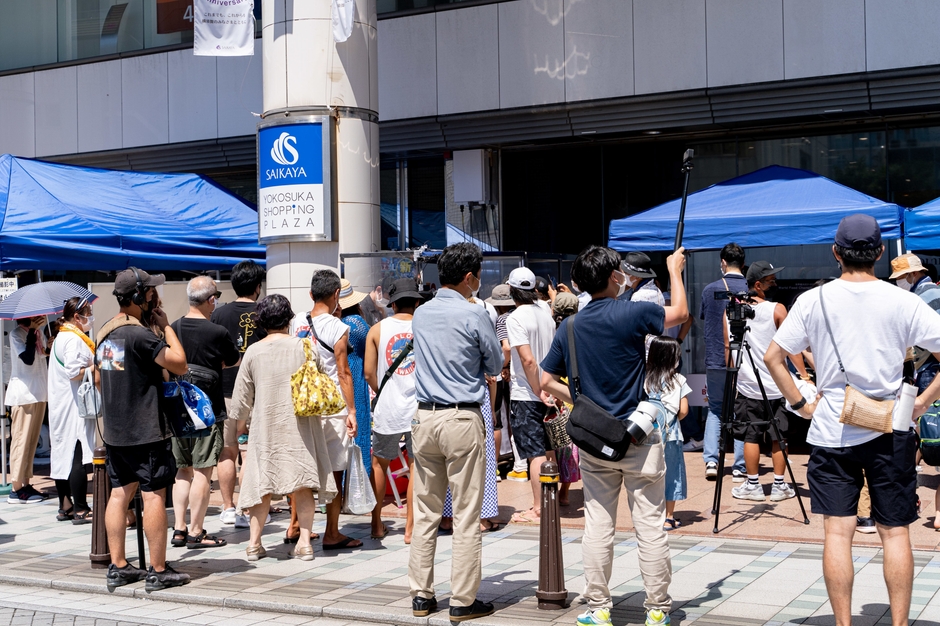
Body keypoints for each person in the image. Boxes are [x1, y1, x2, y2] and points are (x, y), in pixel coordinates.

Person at [766, 214, 940, 626]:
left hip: (831, 429)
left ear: (835, 253)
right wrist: (922, 402)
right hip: (891, 428)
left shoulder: (814, 300)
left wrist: (800, 404)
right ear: (879, 253)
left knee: (837, 533)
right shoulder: (904, 301)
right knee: (895, 532)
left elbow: (773, 357)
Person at [540, 245, 689, 626]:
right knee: (650, 525)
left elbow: (545, 380)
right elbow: (680, 314)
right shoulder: (634, 312)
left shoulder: (569, 326)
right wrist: (674, 270)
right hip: (638, 435)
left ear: (579, 283)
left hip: (595, 439)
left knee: (598, 525)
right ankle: (657, 609)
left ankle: (599, 607)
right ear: (615, 277)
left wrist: (580, 403)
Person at [408, 242, 502, 623]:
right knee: (465, 513)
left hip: (424, 417)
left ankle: (421, 595)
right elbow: (495, 363)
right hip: (462, 417)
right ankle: (462, 600)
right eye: (477, 276)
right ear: (468, 278)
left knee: (425, 510)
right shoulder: (474, 312)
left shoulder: (421, 313)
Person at [98, 268, 191, 592]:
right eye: (151, 291)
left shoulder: (106, 333)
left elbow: (99, 379)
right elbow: (180, 362)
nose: (155, 296)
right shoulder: (140, 335)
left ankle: (119, 566)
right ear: (138, 296)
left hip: (115, 432)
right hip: (146, 431)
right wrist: (166, 327)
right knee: (153, 496)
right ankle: (158, 570)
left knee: (119, 494)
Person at [229, 294, 337, 562]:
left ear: (262, 321)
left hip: (265, 427)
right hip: (301, 426)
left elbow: (241, 401)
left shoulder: (253, 352)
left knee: (261, 485)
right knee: (303, 484)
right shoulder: (305, 346)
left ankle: (254, 544)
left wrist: (238, 430)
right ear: (288, 319)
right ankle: (305, 544)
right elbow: (321, 379)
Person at [169, 276, 240, 549]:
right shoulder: (217, 332)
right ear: (211, 300)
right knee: (202, 471)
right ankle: (196, 531)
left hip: (178, 409)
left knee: (182, 470)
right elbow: (233, 359)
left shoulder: (173, 328)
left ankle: (179, 528)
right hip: (206, 411)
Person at [727, 261, 806, 503]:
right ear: (758, 285)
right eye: (771, 281)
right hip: (777, 385)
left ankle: (753, 485)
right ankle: (779, 485)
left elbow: (729, 348)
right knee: (778, 436)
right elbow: (792, 347)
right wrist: (803, 375)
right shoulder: (778, 309)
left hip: (747, 385)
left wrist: (732, 378)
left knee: (751, 435)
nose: (775, 284)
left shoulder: (732, 310)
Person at [292, 271, 360, 550]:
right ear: (336, 295)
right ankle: (332, 532)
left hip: (302, 406)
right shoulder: (338, 327)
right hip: (332, 408)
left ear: (311, 294)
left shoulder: (296, 321)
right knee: (334, 472)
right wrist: (352, 411)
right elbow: (343, 372)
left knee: (302, 471)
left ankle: (295, 526)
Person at [210, 260, 266, 528]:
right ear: (258, 287)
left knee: (227, 452)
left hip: (224, 392)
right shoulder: (265, 313)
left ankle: (228, 507)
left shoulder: (218, 314)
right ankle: (247, 508)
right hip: (257, 394)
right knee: (250, 453)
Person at [366, 278, 421, 543]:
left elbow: (368, 373)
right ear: (417, 303)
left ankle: (377, 524)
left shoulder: (376, 330)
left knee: (379, 464)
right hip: (417, 408)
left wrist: (384, 391)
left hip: (387, 409)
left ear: (393, 304)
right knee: (416, 466)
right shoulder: (423, 327)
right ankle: (410, 529)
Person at [504, 267, 557, 523]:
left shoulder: (514, 318)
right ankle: (550, 503)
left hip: (527, 393)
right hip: (551, 389)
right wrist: (549, 388)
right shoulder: (545, 310)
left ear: (512, 290)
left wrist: (538, 389)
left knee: (535, 454)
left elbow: (528, 360)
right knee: (549, 451)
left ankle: (538, 508)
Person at [47, 296, 96, 523]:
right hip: (72, 405)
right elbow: (74, 372)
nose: (90, 318)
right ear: (77, 317)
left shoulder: (62, 336)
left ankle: (65, 505)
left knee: (62, 454)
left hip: (62, 403)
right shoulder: (73, 340)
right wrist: (96, 366)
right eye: (88, 314)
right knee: (76, 454)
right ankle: (81, 508)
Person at [700, 243, 747, 482]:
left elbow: (705, 319)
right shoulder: (751, 288)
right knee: (742, 411)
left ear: (723, 262)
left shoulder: (710, 290)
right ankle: (740, 465)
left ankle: (711, 460)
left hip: (716, 357)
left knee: (716, 409)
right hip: (745, 360)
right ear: (743, 263)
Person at [644, 336, 690, 531]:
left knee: (649, 474)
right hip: (671, 435)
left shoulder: (646, 379)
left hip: (647, 435)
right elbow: (684, 410)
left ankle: (650, 515)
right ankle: (668, 517)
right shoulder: (678, 380)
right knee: (672, 474)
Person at [6, 315, 49, 504]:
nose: (40, 317)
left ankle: (26, 483)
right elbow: (28, 359)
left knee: (31, 442)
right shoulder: (16, 334)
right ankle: (16, 489)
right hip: (23, 395)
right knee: (21, 441)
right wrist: (32, 331)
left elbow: (42, 355)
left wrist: (48, 342)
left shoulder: (38, 333)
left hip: (39, 392)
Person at [339, 285, 373, 481]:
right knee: (358, 434)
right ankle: (358, 484)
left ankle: (343, 483)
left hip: (340, 381)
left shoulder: (338, 324)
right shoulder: (358, 324)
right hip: (357, 382)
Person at [486, 283, 515, 477]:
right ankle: (517, 459)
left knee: (496, 419)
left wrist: (504, 366)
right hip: (522, 372)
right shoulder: (524, 314)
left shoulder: (503, 319)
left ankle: (494, 466)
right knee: (511, 416)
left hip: (503, 371)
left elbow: (505, 347)